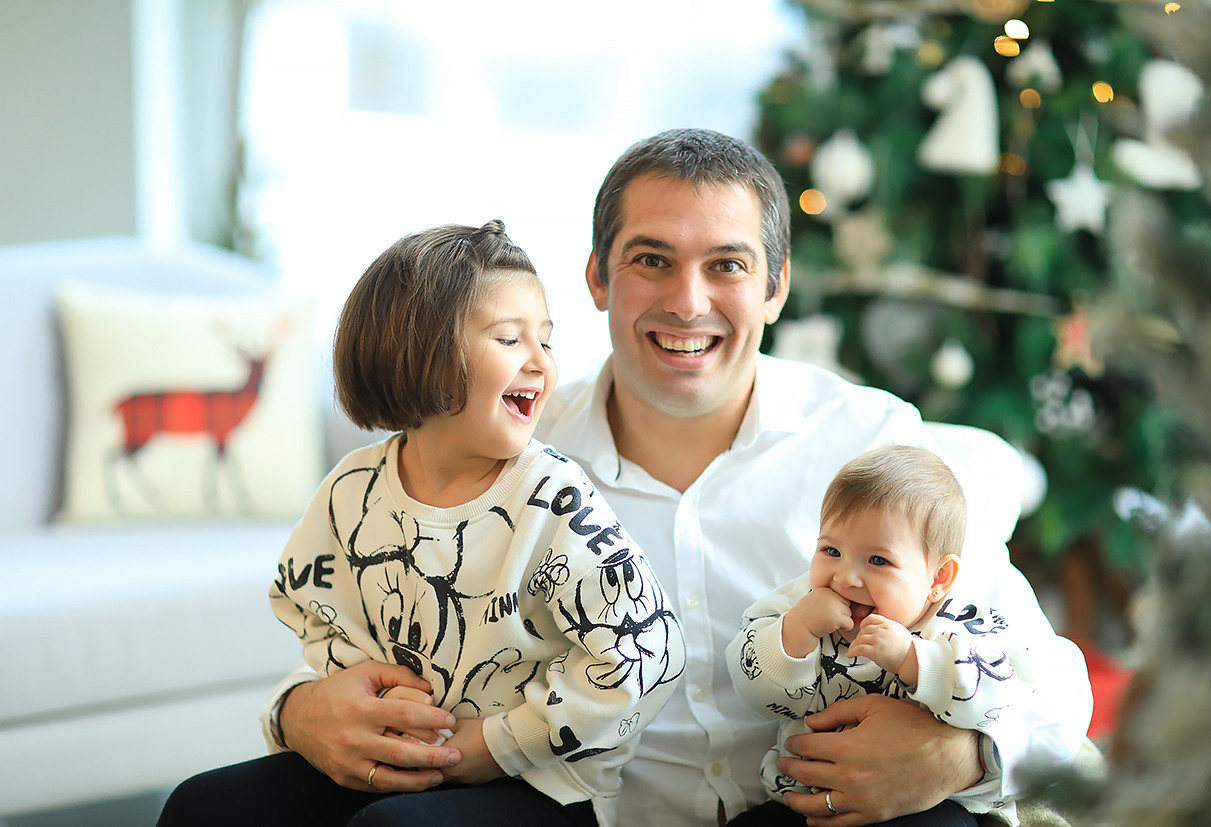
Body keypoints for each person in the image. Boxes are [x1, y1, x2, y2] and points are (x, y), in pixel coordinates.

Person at [170, 129, 1092, 827]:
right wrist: (297, 711)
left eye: (726, 265)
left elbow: (1051, 682)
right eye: (652, 259)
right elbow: (392, 622)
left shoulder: (871, 444)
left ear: (774, 288)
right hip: (561, 807)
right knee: (208, 811)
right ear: (598, 278)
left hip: (800, 812)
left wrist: (960, 755)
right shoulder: (509, 444)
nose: (688, 301)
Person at [159, 220, 685, 827]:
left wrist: (491, 745)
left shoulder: (554, 499)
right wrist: (366, 700)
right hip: (399, 762)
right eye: (510, 340)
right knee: (200, 806)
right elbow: (308, 599)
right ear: (426, 354)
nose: (542, 362)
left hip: (542, 786)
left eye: (546, 338)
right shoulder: (351, 489)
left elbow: (648, 656)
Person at [726, 444, 1043, 827]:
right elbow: (754, 691)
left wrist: (917, 661)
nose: (845, 577)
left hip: (921, 806)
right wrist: (795, 633)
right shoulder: (799, 605)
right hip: (802, 802)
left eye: (878, 560)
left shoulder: (960, 623)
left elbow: (1007, 694)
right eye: (831, 550)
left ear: (938, 578)